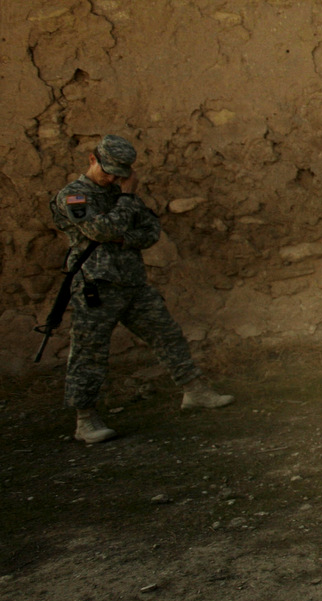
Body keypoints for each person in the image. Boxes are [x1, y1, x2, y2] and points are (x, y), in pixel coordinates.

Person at [49, 135, 234, 445]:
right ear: (92, 160)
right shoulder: (75, 196)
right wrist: (125, 201)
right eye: (108, 171)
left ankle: (195, 391)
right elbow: (101, 230)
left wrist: (123, 237)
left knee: (167, 333)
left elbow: (150, 231)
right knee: (89, 352)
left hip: (133, 282)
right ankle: (85, 420)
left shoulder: (121, 193)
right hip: (97, 284)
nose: (113, 178)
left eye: (120, 174)